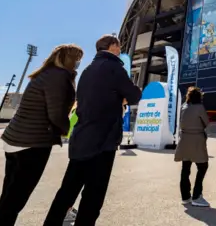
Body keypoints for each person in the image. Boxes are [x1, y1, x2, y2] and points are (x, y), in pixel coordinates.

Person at [44, 35, 142, 226]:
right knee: (93, 196)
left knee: (67, 191)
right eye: (118, 46)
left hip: (81, 138)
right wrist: (124, 97)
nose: (120, 50)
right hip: (102, 141)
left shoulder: (87, 71)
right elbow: (134, 94)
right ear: (112, 46)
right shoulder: (114, 67)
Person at [0, 44, 82, 226]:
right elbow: (55, 114)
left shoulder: (44, 74)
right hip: (32, 143)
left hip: (14, 140)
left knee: (8, 197)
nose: (78, 63)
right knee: (14, 201)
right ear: (70, 59)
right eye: (77, 59)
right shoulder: (59, 77)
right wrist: (67, 129)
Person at [174, 86, 210, 207]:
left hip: (184, 140)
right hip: (197, 140)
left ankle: (185, 196)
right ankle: (196, 195)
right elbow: (206, 123)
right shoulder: (200, 108)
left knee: (185, 168)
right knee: (203, 166)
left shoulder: (183, 107)